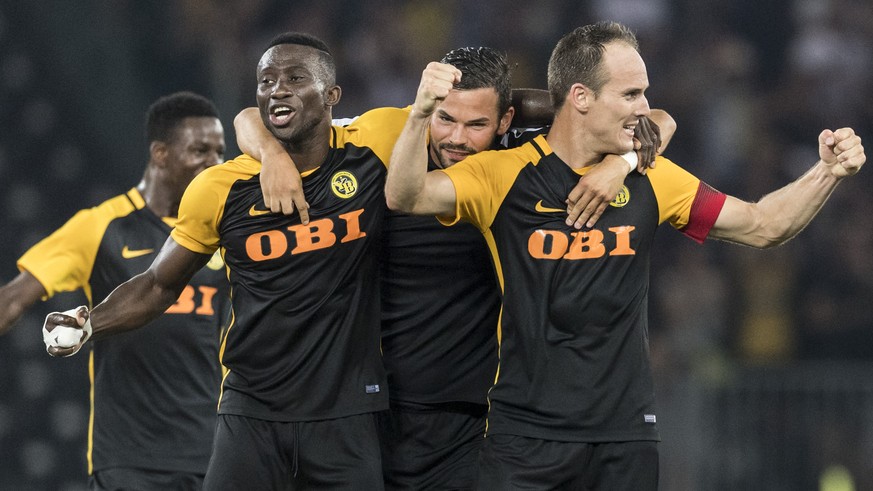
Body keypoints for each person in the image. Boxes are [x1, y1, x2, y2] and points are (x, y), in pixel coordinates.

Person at [384, 21, 865, 490]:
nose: (645, 107)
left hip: (626, 436)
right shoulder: (501, 175)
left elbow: (765, 226)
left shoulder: (651, 178)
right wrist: (421, 112)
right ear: (581, 97)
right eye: (631, 94)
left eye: (644, 93)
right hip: (523, 437)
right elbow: (406, 196)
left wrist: (827, 172)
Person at [232, 46, 675, 489]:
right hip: (376, 408)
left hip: (474, 418)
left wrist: (625, 161)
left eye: (477, 124)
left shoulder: (517, 166)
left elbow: (654, 119)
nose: (457, 139)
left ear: (504, 121)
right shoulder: (389, 138)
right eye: (446, 119)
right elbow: (250, 118)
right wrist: (272, 154)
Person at [43, 32, 414, 490]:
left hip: (347, 413)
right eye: (266, 80)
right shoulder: (220, 188)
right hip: (252, 413)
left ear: (332, 95)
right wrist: (90, 323)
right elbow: (160, 285)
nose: (277, 88)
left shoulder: (374, 142)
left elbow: (473, 114)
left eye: (295, 78)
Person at [0, 91, 230, 490]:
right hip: (128, 459)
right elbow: (12, 299)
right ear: (160, 154)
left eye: (220, 152)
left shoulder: (226, 231)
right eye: (200, 151)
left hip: (216, 451)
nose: (214, 163)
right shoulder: (99, 226)